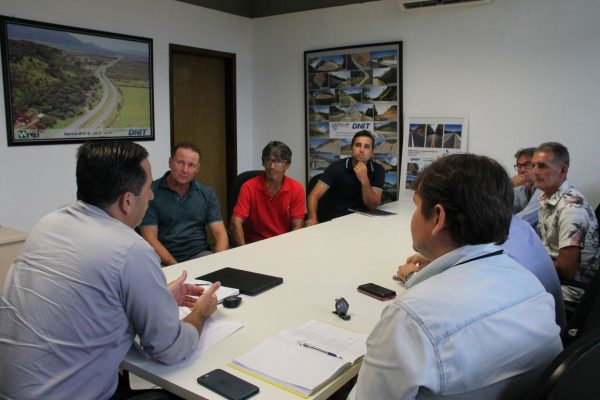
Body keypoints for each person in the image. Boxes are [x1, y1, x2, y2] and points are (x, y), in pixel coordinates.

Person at [0, 141, 220, 400]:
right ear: (127, 200)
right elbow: (170, 349)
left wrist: (158, 296)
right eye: (148, 188)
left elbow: (89, 301)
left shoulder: (48, 224)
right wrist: (200, 314)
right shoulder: (131, 250)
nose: (151, 196)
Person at [349, 154, 562, 399]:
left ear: (438, 217)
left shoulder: (410, 319)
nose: (414, 215)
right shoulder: (529, 284)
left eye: (417, 206)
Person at [396, 215, 567, 329]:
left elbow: (449, 292)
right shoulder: (517, 225)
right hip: (551, 336)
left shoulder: (493, 248)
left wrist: (412, 276)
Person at [139, 142, 228, 266]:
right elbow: (150, 238)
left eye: (191, 165)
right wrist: (177, 268)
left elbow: (220, 234)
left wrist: (217, 263)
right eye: (180, 162)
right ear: (170, 162)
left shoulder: (206, 193)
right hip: (163, 260)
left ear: (197, 169)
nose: (185, 170)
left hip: (199, 255)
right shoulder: (150, 193)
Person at [532, 141, 600, 302]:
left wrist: (530, 263)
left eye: (542, 166)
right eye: (533, 165)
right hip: (554, 277)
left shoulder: (571, 208)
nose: (534, 172)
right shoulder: (547, 198)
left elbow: (567, 270)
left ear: (562, 170)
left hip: (572, 290)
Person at [230, 141, 305, 245]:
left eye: (278, 161)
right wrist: (243, 251)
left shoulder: (297, 189)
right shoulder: (248, 187)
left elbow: (297, 226)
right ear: (263, 162)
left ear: (287, 165)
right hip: (254, 244)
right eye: (268, 160)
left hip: (282, 243)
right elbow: (236, 222)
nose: (272, 166)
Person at [306, 131, 385, 225]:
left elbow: (372, 206)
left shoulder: (378, 170)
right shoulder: (337, 167)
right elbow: (313, 195)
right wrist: (312, 218)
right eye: (358, 145)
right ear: (351, 148)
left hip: (362, 221)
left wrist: (364, 179)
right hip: (336, 220)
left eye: (366, 146)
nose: (361, 150)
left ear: (372, 152)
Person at [511, 147, 542, 228]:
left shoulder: (544, 190)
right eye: (519, 166)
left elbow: (524, 220)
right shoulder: (519, 189)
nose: (522, 170)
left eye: (527, 165)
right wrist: (507, 186)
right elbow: (499, 209)